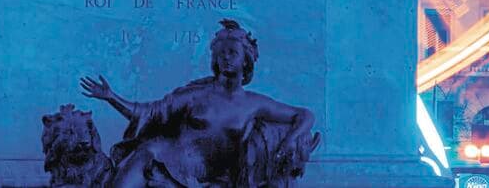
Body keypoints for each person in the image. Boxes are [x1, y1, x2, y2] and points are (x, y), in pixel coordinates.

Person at [78, 19, 316, 188]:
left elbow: (305, 115)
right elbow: (149, 113)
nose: (225, 57)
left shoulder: (254, 103)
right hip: (162, 159)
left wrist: (290, 140)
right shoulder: (197, 94)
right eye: (221, 53)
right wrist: (111, 97)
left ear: (246, 60)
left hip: (212, 175)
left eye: (232, 52)